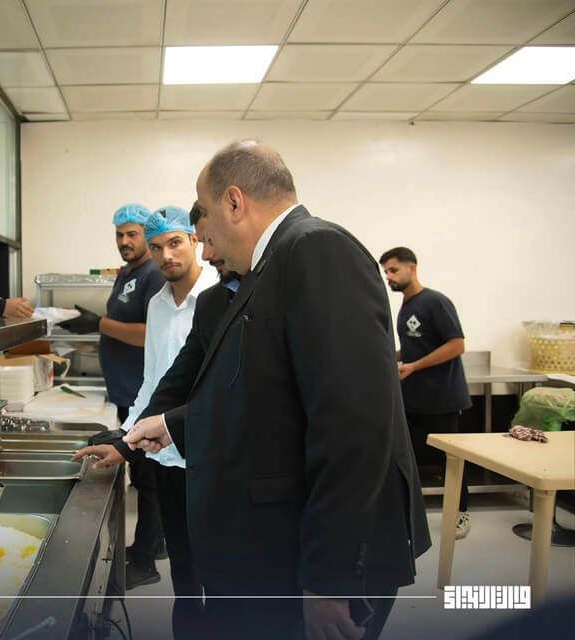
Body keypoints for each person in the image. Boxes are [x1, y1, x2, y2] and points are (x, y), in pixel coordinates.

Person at [124, 140, 431, 640]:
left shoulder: (316, 249)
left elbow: (352, 426)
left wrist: (328, 580)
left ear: (234, 202)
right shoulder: (267, 268)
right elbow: (268, 399)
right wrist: (172, 424)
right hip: (281, 543)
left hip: (330, 561)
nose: (206, 242)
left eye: (207, 218)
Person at [74, 203, 227, 636]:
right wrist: (126, 439)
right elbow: (154, 380)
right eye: (157, 247)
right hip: (166, 455)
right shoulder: (158, 304)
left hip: (212, 455)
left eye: (174, 243)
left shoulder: (221, 298)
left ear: (194, 240)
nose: (166, 256)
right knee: (183, 569)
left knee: (220, 572)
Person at [58, 203, 168, 587]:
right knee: (145, 475)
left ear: (146, 235)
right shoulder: (127, 274)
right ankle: (155, 545)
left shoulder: (153, 274)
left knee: (149, 481)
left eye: (132, 234)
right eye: (119, 234)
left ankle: (145, 563)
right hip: (126, 392)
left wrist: (98, 324)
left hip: (144, 395)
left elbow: (149, 334)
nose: (124, 241)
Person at [380, 247, 473, 539]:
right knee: (403, 456)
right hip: (413, 399)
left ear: (412, 268)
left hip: (442, 399)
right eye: (386, 272)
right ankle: (404, 515)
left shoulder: (435, 302)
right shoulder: (406, 307)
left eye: (393, 270)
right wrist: (387, 356)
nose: (388, 277)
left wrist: (415, 366)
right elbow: (413, 348)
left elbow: (456, 345)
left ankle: (460, 513)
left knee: (451, 460)